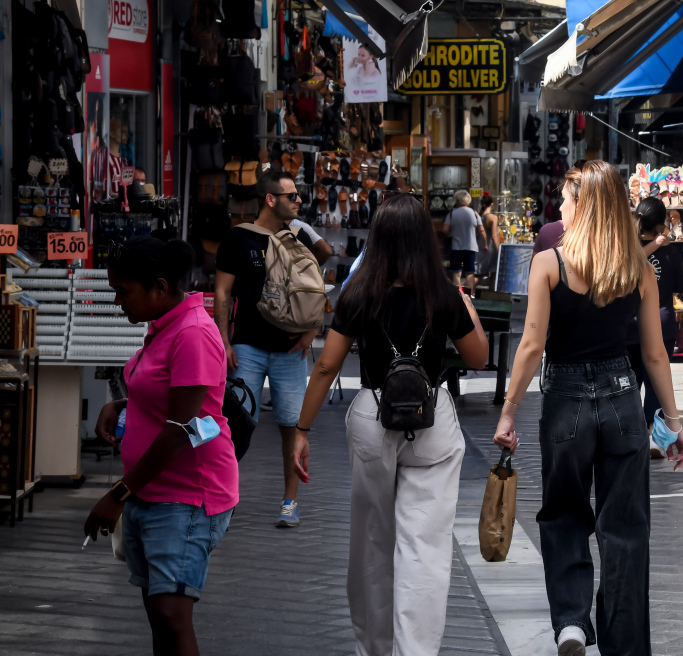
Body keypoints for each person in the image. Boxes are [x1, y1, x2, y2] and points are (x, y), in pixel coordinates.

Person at [492, 161, 683, 656]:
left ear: (583, 205)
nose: (560, 207)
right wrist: (672, 420)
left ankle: (572, 623)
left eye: (565, 199)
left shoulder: (549, 264)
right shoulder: (637, 267)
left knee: (563, 514)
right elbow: (654, 354)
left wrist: (508, 410)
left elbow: (531, 345)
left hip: (565, 400)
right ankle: (624, 645)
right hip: (622, 397)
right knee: (625, 528)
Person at [289, 194, 488, 655]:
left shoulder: (358, 293)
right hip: (431, 422)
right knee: (425, 548)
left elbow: (326, 367)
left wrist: (302, 430)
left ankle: (374, 648)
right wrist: (469, 309)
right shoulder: (443, 294)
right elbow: (478, 357)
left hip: (373, 416)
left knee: (372, 542)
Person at [85, 237, 236, 655]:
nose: (118, 301)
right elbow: (163, 393)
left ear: (160, 287)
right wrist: (121, 405)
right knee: (159, 613)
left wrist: (118, 494)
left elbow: (182, 429)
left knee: (170, 614)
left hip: (187, 494)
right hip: (149, 492)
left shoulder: (192, 333)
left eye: (123, 291)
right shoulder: (163, 325)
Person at [214, 171, 320, 528]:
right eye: (292, 196)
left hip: (289, 349)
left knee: (292, 426)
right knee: (235, 422)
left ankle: (290, 501)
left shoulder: (299, 236)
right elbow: (222, 292)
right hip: (247, 345)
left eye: (298, 195)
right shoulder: (238, 237)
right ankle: (224, 496)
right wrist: (224, 340)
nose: (299, 200)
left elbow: (314, 288)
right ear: (271, 199)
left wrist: (311, 331)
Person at [630, 197, 683, 458]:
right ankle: (653, 435)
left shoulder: (625, 249)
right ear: (660, 223)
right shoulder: (669, 252)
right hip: (661, 323)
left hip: (629, 326)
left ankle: (630, 434)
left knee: (630, 382)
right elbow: (679, 288)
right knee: (656, 383)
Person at [444, 190, 487, 293]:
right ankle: (470, 294)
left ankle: (458, 295)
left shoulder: (451, 213)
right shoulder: (474, 213)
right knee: (469, 273)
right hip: (470, 247)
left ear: (457, 200)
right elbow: (481, 230)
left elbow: (445, 230)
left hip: (456, 247)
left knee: (456, 273)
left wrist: (451, 234)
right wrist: (485, 244)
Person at [477, 195, 500, 283]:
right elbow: (494, 236)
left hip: (480, 246)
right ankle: (491, 291)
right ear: (492, 204)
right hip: (491, 248)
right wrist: (499, 250)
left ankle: (471, 289)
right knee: (493, 273)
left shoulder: (479, 216)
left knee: (479, 273)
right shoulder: (493, 217)